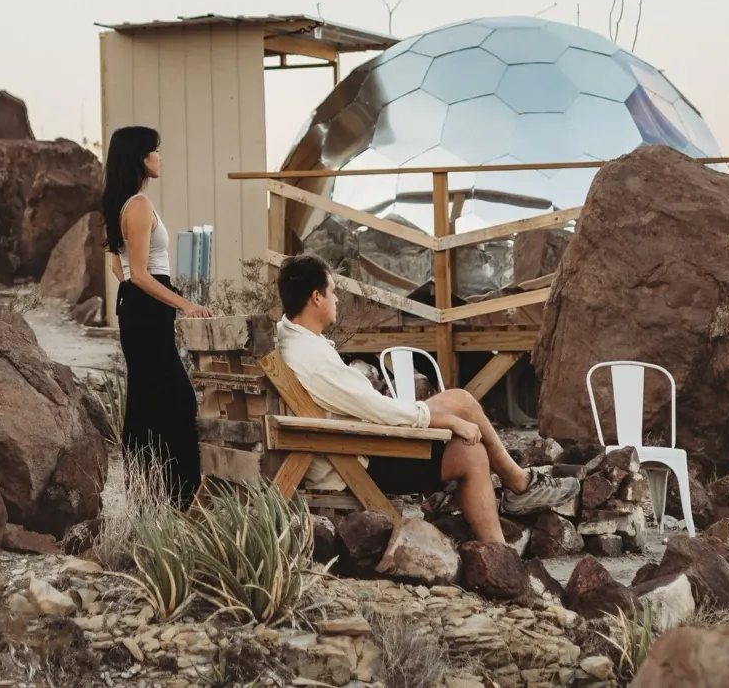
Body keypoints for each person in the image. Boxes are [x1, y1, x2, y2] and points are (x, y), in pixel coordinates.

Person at [274, 254, 581, 543]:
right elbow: (373, 408)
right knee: (469, 449)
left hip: (353, 440)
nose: (337, 298)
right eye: (332, 291)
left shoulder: (292, 340)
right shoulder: (311, 358)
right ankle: (514, 503)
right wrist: (435, 418)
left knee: (461, 402)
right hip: (352, 456)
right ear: (316, 297)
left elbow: (363, 404)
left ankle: (516, 490)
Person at [101, 125, 213, 509]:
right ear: (141, 158)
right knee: (176, 401)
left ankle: (151, 494)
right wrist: (185, 305)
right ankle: (178, 497)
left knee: (149, 400)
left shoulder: (125, 204)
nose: (160, 157)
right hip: (147, 311)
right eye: (155, 151)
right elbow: (142, 274)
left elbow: (122, 270)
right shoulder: (138, 206)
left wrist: (147, 299)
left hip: (139, 309)